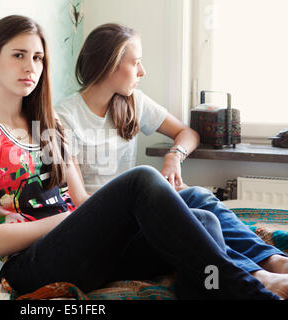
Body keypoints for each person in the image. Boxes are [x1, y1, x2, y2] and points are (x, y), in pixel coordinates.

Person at [0, 15, 281, 299]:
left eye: (38, 58)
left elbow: (79, 198)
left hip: (79, 249)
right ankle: (252, 288)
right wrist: (70, 220)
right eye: (19, 55)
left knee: (205, 220)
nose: (30, 67)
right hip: (26, 265)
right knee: (142, 178)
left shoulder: (46, 125)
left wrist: (93, 217)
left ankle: (208, 289)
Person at [54, 23, 288, 299]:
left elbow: (187, 132)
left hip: (137, 209)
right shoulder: (64, 117)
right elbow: (80, 202)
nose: (143, 72)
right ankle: (255, 276)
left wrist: (173, 157)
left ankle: (274, 262)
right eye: (136, 63)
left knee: (198, 197)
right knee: (198, 220)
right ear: (110, 65)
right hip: (107, 228)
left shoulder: (132, 102)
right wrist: (156, 202)